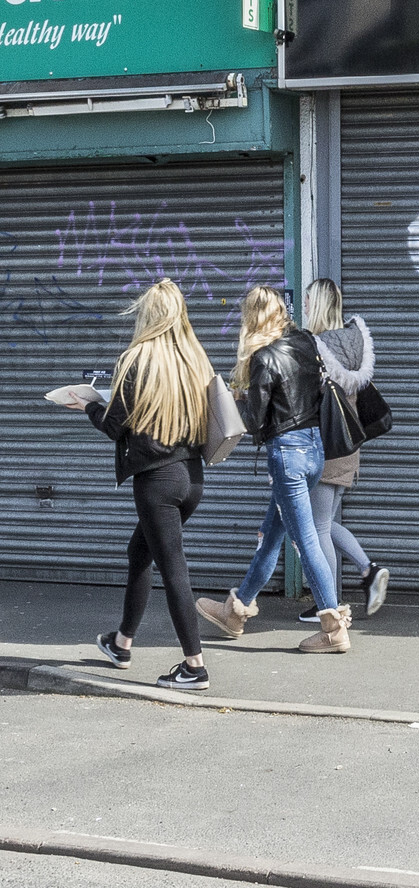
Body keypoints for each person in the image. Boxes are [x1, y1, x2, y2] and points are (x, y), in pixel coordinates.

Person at [70, 278, 215, 692]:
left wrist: (89, 405)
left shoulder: (137, 359)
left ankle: (195, 666)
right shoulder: (194, 359)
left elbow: (116, 426)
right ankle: (121, 643)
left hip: (157, 482)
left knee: (173, 570)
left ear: (148, 315)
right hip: (192, 478)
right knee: (139, 552)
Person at [195, 285, 351, 655]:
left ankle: (332, 628)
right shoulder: (304, 343)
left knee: (305, 539)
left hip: (288, 457)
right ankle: (236, 611)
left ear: (252, 317)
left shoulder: (264, 358)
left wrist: (235, 401)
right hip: (314, 450)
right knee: (273, 533)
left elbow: (257, 422)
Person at [300, 278, 390, 626]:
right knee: (325, 523)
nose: (304, 306)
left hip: (325, 444)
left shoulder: (317, 346)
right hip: (349, 444)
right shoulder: (356, 344)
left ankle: (331, 603)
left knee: (318, 526)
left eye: (308, 300)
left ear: (319, 304)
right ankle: (366, 573)